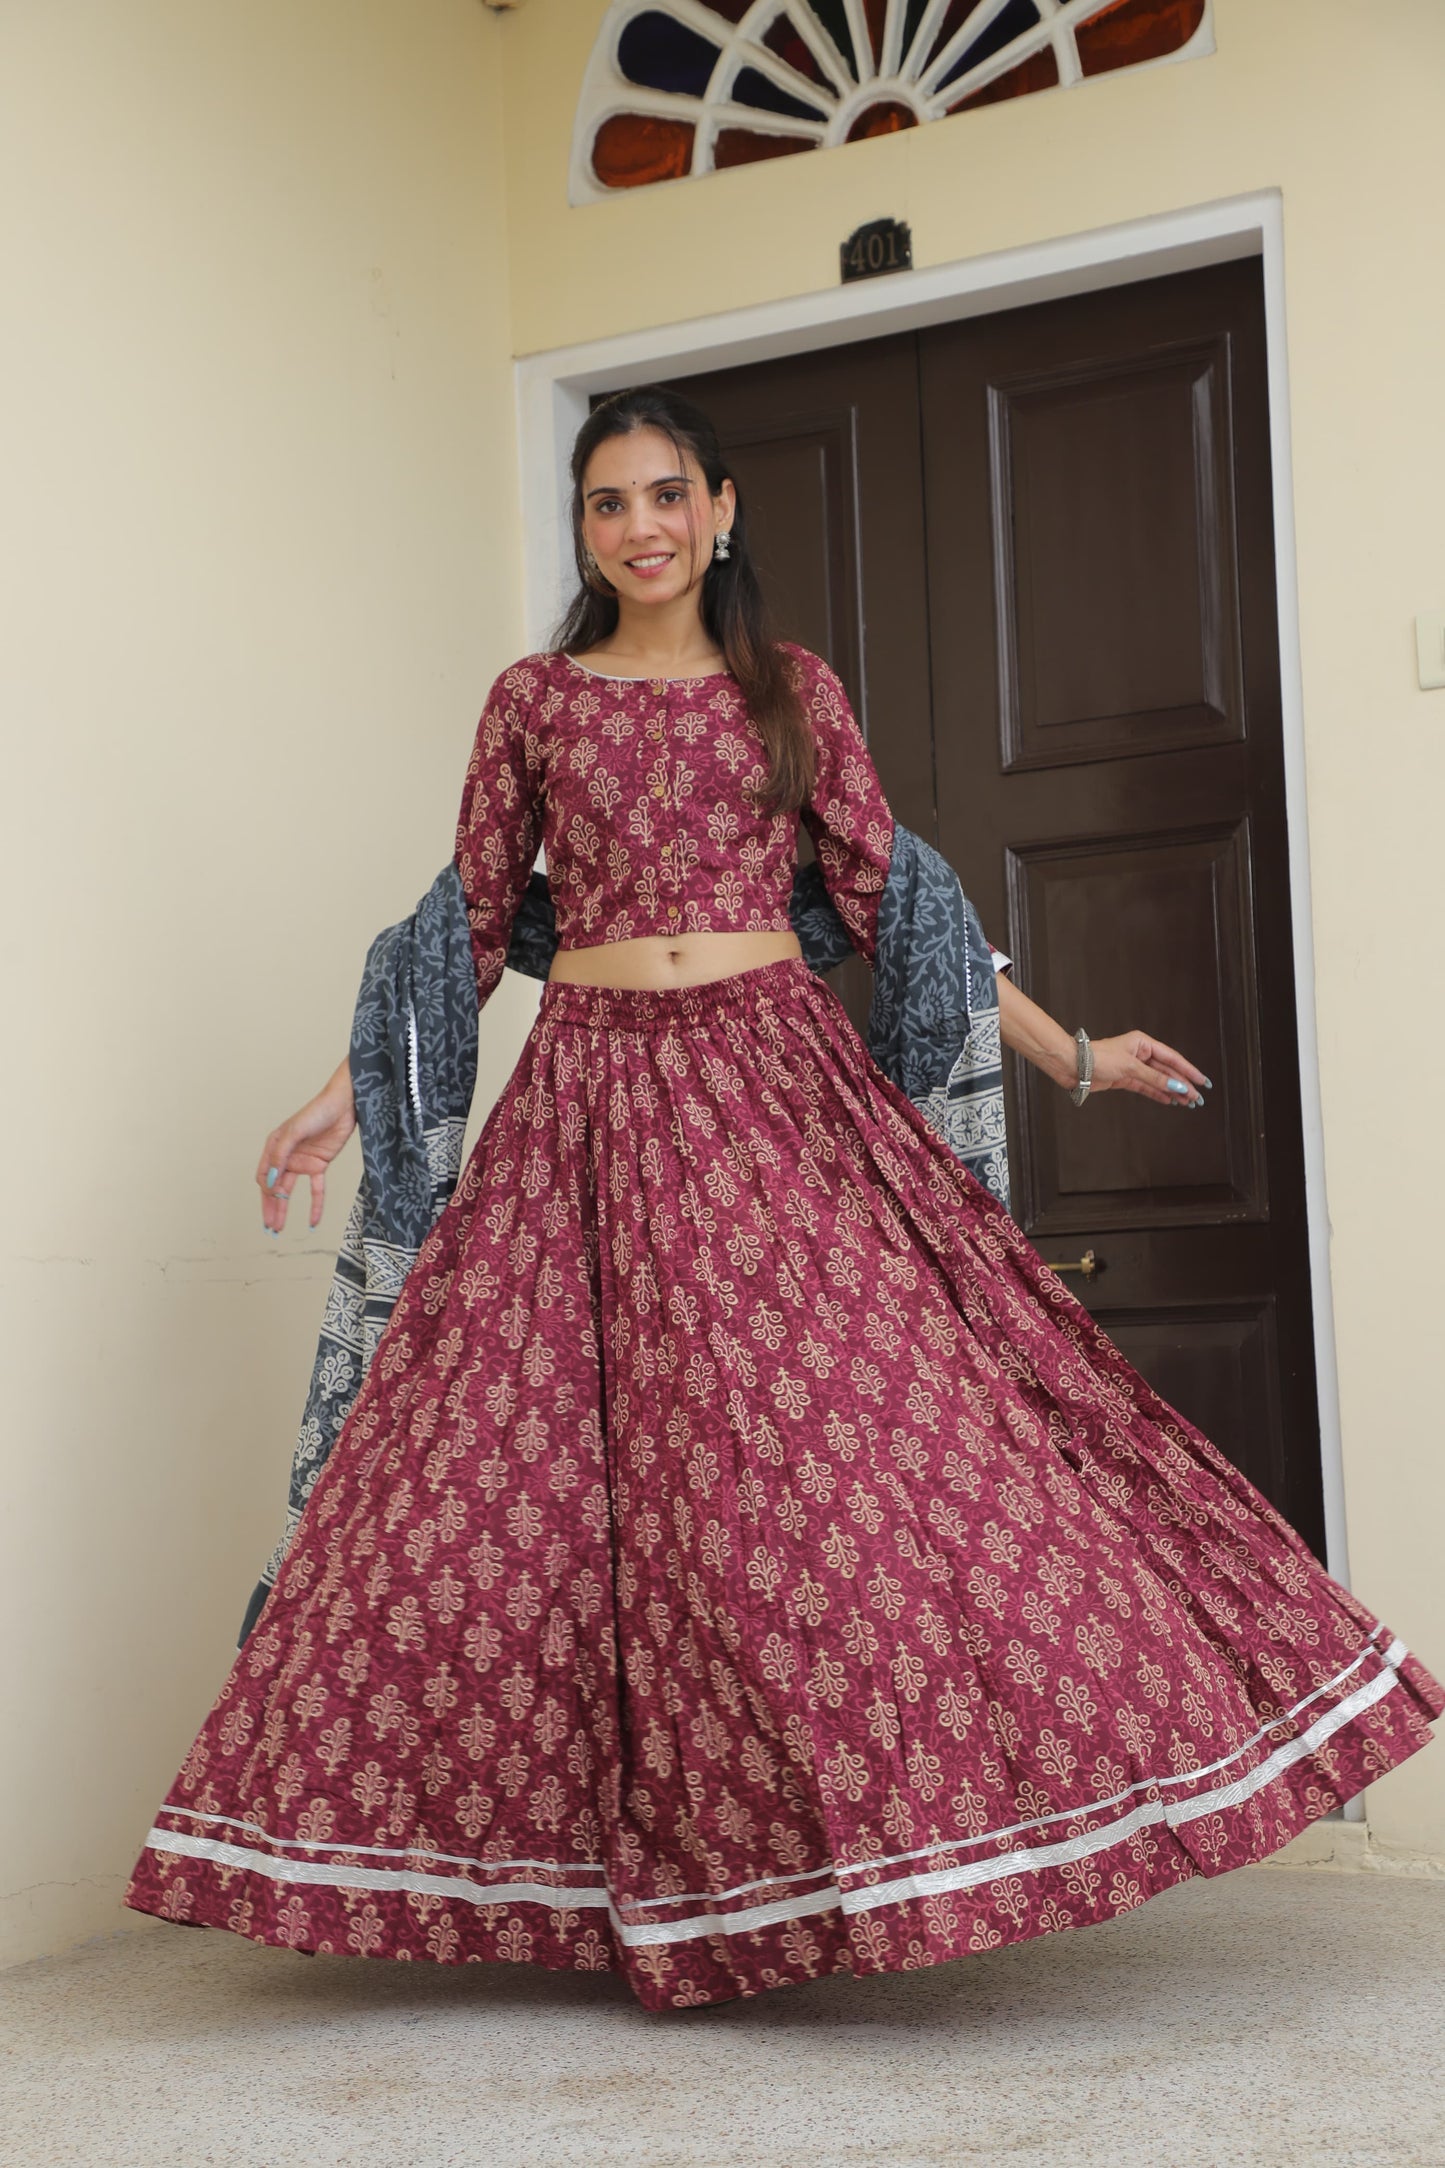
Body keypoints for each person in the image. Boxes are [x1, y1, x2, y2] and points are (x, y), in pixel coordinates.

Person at [124, 388, 1441, 2011]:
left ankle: (852, 1856)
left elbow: (902, 898)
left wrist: (1075, 1052)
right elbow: (464, 924)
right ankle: (603, 1880)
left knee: (833, 1459)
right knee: (512, 1475)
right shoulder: (533, 700)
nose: (638, 528)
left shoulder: (787, 691)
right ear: (585, 530)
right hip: (590, 1099)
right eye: (605, 504)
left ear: (723, 510)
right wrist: (340, 1100)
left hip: (768, 1088)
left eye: (664, 495)